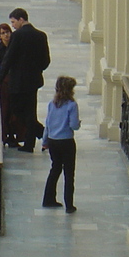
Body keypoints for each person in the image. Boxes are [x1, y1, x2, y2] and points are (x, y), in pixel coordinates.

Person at [0, 8, 51, 153]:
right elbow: (46, 61)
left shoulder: (17, 36)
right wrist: (36, 70)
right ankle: (31, 143)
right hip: (34, 80)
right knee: (31, 112)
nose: (12, 26)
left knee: (17, 110)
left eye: (13, 22)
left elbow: (8, 59)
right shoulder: (41, 35)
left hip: (18, 81)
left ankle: (43, 134)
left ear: (21, 19)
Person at [41, 76, 81, 214]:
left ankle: (48, 198)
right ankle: (69, 204)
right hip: (66, 142)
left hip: (53, 141)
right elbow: (74, 126)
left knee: (55, 169)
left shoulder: (52, 104)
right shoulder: (72, 105)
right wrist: (79, 123)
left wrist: (45, 141)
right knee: (69, 173)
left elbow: (48, 125)